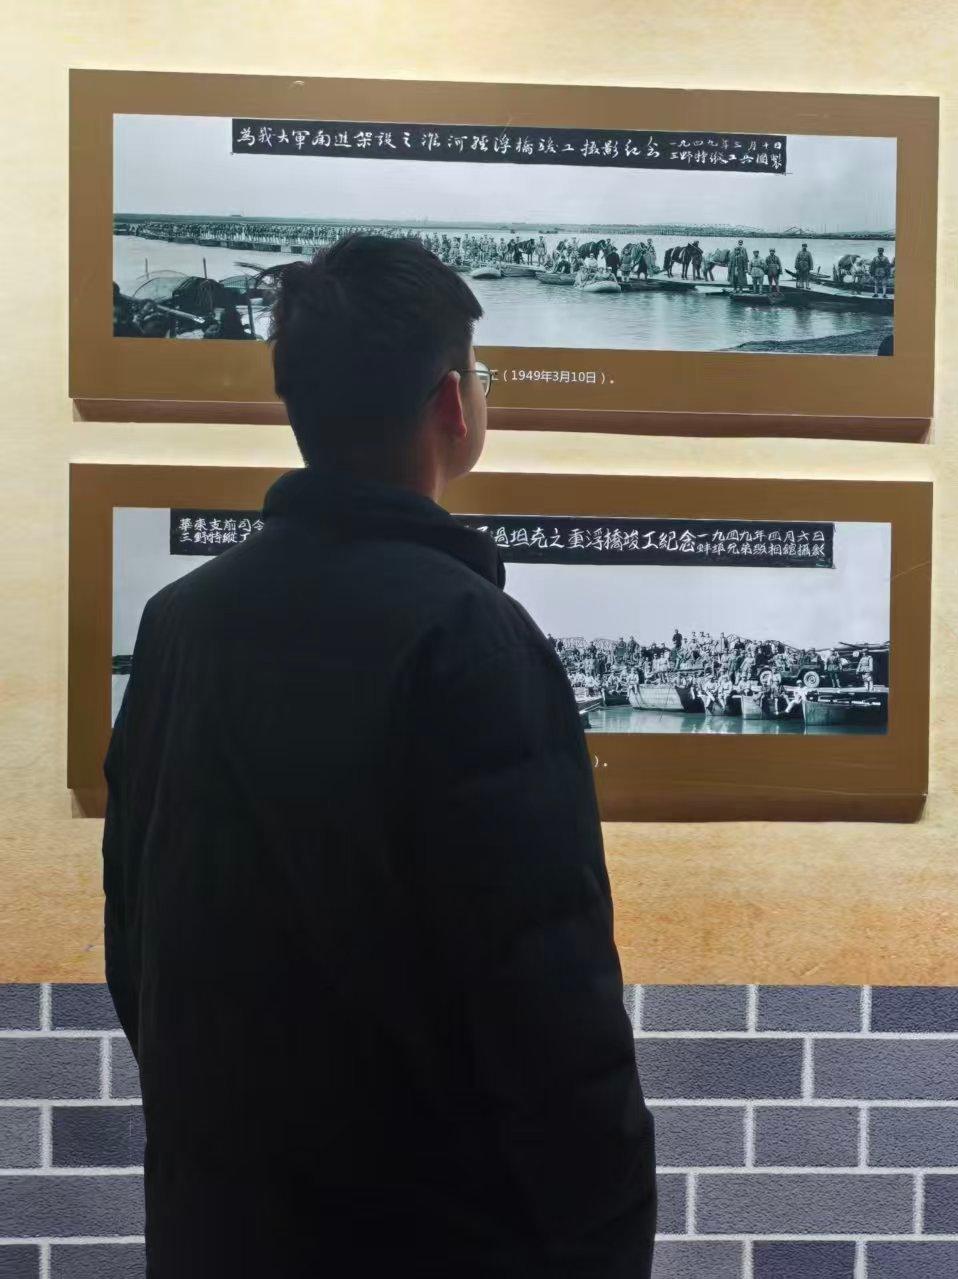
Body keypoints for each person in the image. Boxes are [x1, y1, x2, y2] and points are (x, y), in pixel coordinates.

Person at [101, 235, 656, 1277]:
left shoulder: (178, 624)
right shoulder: (470, 637)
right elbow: (546, 999)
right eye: (479, 374)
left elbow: (135, 940)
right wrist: (607, 1234)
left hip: (218, 1222)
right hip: (429, 1234)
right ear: (452, 405)